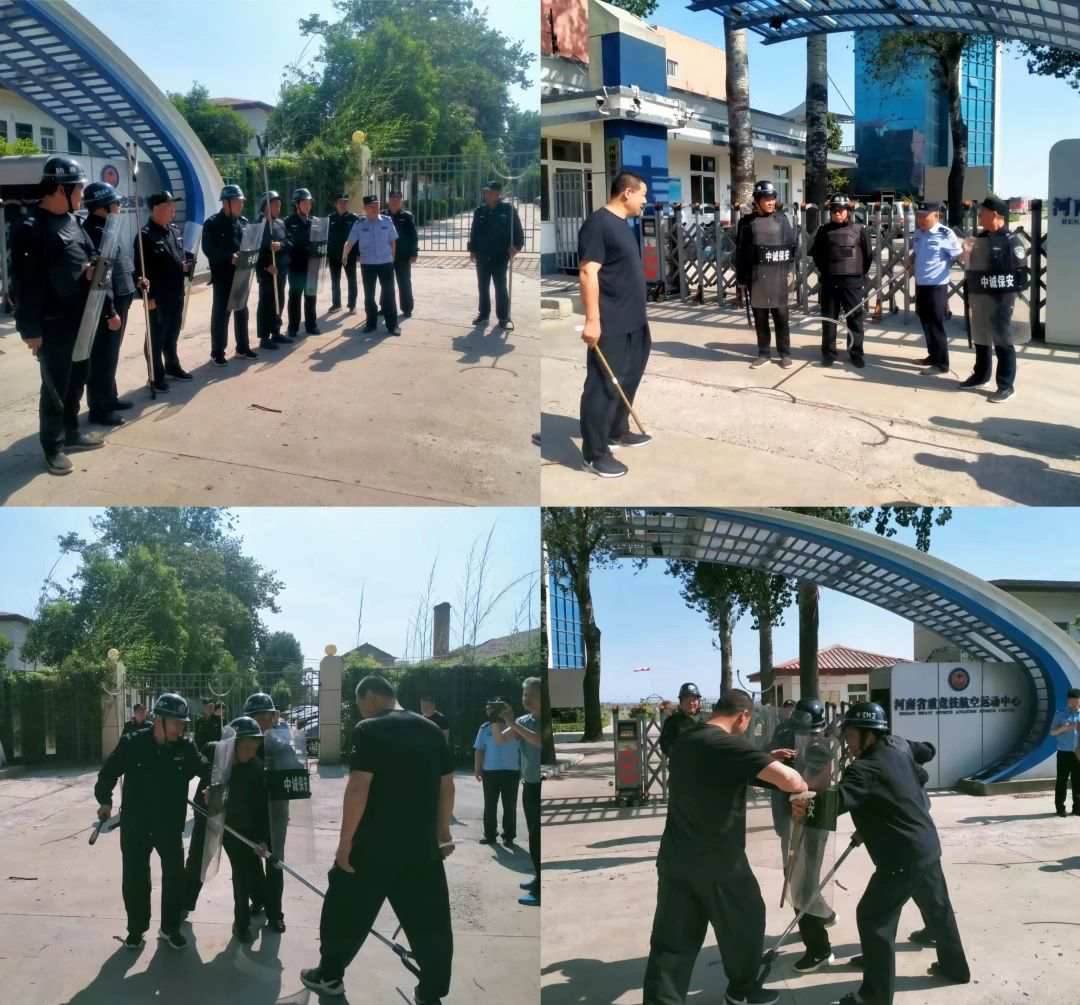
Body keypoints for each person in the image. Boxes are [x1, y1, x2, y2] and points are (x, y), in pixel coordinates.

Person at [794, 702, 970, 1005]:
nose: (847, 742)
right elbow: (926, 751)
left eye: (851, 735)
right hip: (926, 846)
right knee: (938, 909)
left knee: (873, 918)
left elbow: (836, 803)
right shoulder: (898, 745)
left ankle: (874, 996)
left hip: (900, 858)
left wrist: (803, 805)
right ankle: (955, 969)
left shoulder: (864, 770)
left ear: (869, 734)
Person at [642, 689, 807, 1005]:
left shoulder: (687, 739)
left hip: (675, 858)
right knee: (747, 920)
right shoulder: (728, 745)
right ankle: (741, 991)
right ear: (743, 716)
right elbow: (791, 781)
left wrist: (762, 759)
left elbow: (719, 770)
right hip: (719, 862)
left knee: (672, 944)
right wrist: (798, 784)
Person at [300, 674, 455, 1003]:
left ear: (370, 696)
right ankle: (431, 993)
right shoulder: (431, 730)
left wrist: (345, 844)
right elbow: (447, 785)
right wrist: (443, 833)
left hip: (372, 848)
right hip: (421, 848)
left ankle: (329, 976)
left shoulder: (369, 729)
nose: (361, 712)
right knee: (431, 923)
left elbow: (358, 788)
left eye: (360, 705)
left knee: (343, 912)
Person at [12, 155, 109, 475]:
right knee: (54, 387)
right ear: (59, 189)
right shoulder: (31, 228)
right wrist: (30, 330)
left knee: (77, 377)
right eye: (77, 188)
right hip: (51, 323)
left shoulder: (74, 222)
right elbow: (24, 284)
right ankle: (52, 447)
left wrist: (91, 271)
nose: (82, 194)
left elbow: (91, 256)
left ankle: (71, 431)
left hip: (80, 317)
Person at [94, 692, 208, 951]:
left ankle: (170, 928)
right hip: (136, 824)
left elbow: (206, 769)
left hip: (169, 825)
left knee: (174, 878)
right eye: (176, 723)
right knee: (135, 879)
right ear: (159, 721)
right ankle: (136, 930)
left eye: (183, 724)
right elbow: (108, 773)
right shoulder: (133, 743)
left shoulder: (185, 748)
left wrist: (210, 787)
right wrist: (105, 801)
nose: (180, 728)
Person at [577, 168, 653, 479]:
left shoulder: (622, 224)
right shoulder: (598, 224)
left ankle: (616, 430)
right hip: (611, 322)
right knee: (603, 386)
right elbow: (588, 272)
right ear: (627, 193)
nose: (645, 201)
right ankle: (594, 454)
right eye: (643, 195)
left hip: (634, 319)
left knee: (630, 376)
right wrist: (592, 321)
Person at [766, 697, 838, 974]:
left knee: (802, 882)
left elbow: (820, 780)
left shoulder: (819, 744)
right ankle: (825, 915)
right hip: (790, 820)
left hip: (812, 819)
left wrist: (794, 783)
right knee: (797, 875)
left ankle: (820, 949)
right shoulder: (786, 735)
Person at [199, 716, 272, 944]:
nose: (251, 753)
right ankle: (242, 925)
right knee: (241, 875)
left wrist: (262, 839)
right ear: (233, 744)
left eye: (254, 748)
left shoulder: (256, 770)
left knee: (249, 871)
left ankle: (253, 909)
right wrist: (209, 794)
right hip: (223, 826)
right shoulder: (216, 758)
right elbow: (206, 782)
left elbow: (262, 809)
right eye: (246, 748)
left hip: (247, 830)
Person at [957, 194, 1031, 403]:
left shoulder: (1011, 241)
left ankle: (1006, 385)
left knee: (1002, 341)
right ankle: (981, 375)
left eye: (983, 213)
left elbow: (1021, 277)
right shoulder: (981, 238)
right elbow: (971, 267)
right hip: (980, 298)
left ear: (995, 215)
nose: (980, 216)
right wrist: (967, 255)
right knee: (981, 338)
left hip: (1001, 300)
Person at [81, 181, 140, 424]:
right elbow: (100, 278)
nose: (119, 206)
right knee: (102, 357)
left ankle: (110, 397)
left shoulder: (109, 227)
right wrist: (109, 311)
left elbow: (120, 263)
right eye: (115, 202)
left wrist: (137, 281)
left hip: (122, 298)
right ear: (102, 206)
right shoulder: (94, 232)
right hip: (108, 305)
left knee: (111, 354)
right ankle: (100, 408)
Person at [736, 180, 797, 370]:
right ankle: (763, 353)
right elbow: (741, 252)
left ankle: (785, 354)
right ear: (757, 201)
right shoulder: (746, 222)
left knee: (781, 317)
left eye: (772, 198)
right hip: (756, 277)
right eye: (766, 199)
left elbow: (792, 247)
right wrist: (741, 279)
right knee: (760, 318)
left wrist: (790, 271)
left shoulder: (782, 219)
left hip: (778, 275)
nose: (770, 202)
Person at [136, 191, 193, 389]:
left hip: (176, 292)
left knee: (172, 334)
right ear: (157, 209)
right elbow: (140, 271)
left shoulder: (174, 231)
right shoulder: (144, 236)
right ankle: (156, 376)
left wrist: (185, 265)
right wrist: (148, 297)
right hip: (158, 297)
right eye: (169, 206)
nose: (173, 210)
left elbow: (179, 257)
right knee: (155, 338)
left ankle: (172, 366)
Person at [242, 691, 288, 931]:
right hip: (249, 813)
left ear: (274, 717)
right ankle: (259, 899)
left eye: (266, 717)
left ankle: (275, 913)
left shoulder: (283, 743)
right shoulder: (242, 746)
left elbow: (293, 775)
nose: (262, 722)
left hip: (275, 812)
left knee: (275, 863)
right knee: (249, 863)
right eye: (256, 717)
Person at [810, 195, 873, 368]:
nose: (837, 213)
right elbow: (817, 254)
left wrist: (857, 274)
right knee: (829, 319)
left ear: (848, 211)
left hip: (852, 282)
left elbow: (868, 256)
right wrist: (826, 271)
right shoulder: (823, 231)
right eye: (834, 210)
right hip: (830, 281)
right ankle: (828, 352)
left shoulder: (860, 230)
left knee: (855, 318)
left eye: (841, 210)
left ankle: (856, 352)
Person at [499, 677, 542, 907]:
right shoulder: (523, 721)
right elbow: (500, 739)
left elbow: (538, 741)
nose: (527, 699)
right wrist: (496, 719)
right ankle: (538, 879)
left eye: (532, 695)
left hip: (542, 785)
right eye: (525, 694)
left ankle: (540, 891)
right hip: (530, 785)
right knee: (534, 836)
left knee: (539, 838)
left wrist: (513, 724)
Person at [909, 202, 963, 376]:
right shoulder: (918, 233)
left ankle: (942, 364)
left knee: (935, 323)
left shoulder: (945, 234)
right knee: (925, 320)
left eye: (924, 216)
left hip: (937, 286)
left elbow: (958, 255)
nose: (920, 219)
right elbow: (916, 252)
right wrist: (911, 261)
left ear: (936, 215)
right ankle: (933, 356)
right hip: (921, 284)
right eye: (918, 215)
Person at [202, 183, 254, 365]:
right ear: (226, 203)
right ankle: (217, 352)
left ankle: (243, 347)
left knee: (242, 311)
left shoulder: (243, 222)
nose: (241, 205)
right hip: (222, 276)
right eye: (238, 202)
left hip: (241, 274)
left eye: (242, 202)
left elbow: (249, 244)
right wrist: (228, 257)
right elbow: (208, 249)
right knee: (221, 315)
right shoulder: (212, 223)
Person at [468, 180, 524, 331]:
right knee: (483, 286)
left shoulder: (508, 210)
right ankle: (483, 314)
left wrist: (516, 247)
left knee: (500, 287)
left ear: (498, 193)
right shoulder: (480, 211)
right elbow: (474, 232)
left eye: (490, 192)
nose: (487, 195)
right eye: (485, 192)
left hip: (500, 255)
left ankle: (504, 318)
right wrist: (472, 250)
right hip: (482, 255)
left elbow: (518, 230)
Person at [343, 194, 400, 336]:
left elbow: (393, 242)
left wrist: (392, 259)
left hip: (385, 263)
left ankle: (392, 325)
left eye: (377, 205)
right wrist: (344, 254)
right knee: (369, 296)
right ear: (364, 208)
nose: (375, 208)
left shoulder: (387, 221)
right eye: (371, 206)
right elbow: (350, 241)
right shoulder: (359, 224)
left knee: (389, 294)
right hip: (368, 264)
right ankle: (371, 323)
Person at [474, 697, 522, 846]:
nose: (499, 711)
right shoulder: (485, 728)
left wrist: (509, 718)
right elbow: (479, 749)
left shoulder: (516, 727)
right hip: (490, 771)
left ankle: (509, 836)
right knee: (490, 805)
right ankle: (490, 834)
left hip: (511, 771)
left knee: (509, 805)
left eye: (503, 708)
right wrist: (477, 768)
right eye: (497, 708)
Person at [254, 190, 290, 350]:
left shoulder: (281, 223)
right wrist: (265, 266)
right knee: (266, 303)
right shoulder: (257, 225)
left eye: (279, 205)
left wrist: (280, 245)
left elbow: (289, 242)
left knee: (279, 301)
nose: (278, 208)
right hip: (266, 272)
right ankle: (264, 337)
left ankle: (276, 331)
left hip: (280, 270)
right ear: (266, 206)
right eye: (275, 205)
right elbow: (253, 249)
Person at [285, 187, 320, 336]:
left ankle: (311, 325)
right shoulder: (288, 222)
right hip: (296, 266)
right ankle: (293, 327)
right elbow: (287, 243)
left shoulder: (314, 222)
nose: (307, 206)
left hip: (312, 265)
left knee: (311, 296)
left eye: (309, 203)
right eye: (304, 203)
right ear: (297, 204)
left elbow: (319, 242)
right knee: (295, 297)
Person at [387, 190, 419, 317]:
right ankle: (385, 307)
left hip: (402, 255)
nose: (395, 201)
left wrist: (414, 252)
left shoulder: (407, 216)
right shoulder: (383, 215)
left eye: (397, 199)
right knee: (386, 283)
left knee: (404, 282)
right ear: (389, 200)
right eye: (392, 198)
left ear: (401, 201)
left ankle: (407, 308)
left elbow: (413, 236)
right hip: (386, 255)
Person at [1050, 687, 1080, 817]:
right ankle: (1060, 808)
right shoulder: (1060, 714)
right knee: (1062, 780)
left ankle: (1077, 808)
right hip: (1064, 752)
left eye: (1076, 700)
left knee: (1078, 781)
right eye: (1072, 700)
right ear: (1068, 700)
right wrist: (1064, 728)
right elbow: (1052, 732)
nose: (1074, 703)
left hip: (1078, 752)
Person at [326, 193, 358, 313]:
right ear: (336, 204)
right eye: (340, 202)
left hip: (349, 254)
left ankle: (352, 305)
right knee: (335, 280)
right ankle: (336, 304)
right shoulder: (330, 218)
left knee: (352, 279)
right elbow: (325, 236)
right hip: (334, 254)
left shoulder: (354, 218)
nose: (343, 204)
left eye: (345, 202)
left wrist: (358, 253)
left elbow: (358, 237)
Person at [659, 682, 703, 756]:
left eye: (694, 699)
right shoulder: (672, 721)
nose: (691, 703)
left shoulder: (708, 719)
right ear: (681, 702)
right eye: (687, 700)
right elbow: (666, 746)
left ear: (698, 701)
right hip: (681, 761)